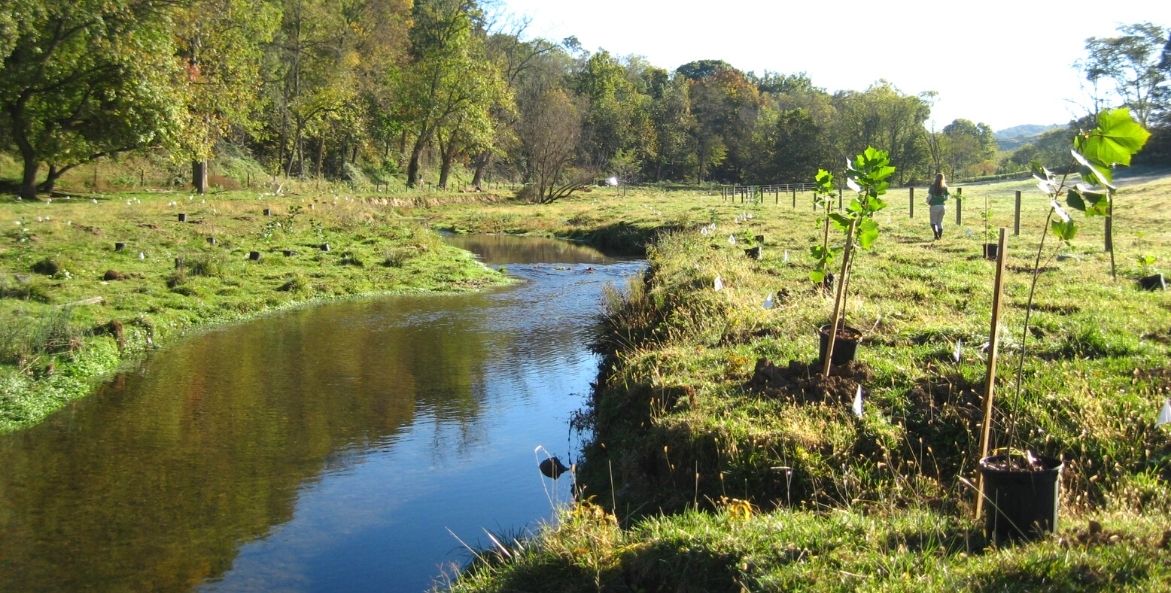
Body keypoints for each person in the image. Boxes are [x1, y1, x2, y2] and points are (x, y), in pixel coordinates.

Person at [926, 173, 950, 240]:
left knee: (933, 222)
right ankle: (940, 236)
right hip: (942, 206)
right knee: (940, 222)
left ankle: (936, 235)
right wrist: (941, 199)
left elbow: (930, 197)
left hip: (934, 206)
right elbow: (947, 198)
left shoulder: (932, 186)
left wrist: (928, 202)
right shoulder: (944, 187)